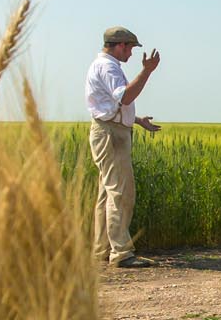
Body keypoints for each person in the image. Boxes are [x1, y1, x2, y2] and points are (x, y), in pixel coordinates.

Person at [85, 26, 163, 268]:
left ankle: (101, 249)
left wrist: (136, 120)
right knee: (121, 192)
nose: (131, 54)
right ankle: (121, 253)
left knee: (106, 193)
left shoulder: (105, 66)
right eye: (130, 48)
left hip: (108, 130)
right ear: (120, 45)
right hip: (112, 135)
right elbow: (124, 98)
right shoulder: (108, 67)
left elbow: (114, 105)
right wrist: (146, 72)